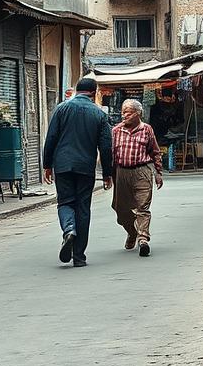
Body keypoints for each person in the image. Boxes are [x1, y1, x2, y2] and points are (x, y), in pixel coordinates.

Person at [43, 77, 114, 267]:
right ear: (94, 92)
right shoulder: (99, 114)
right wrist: (108, 172)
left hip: (63, 165)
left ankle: (68, 229)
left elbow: (51, 138)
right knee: (83, 208)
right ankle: (79, 257)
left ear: (76, 90)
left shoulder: (61, 109)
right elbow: (106, 146)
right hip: (85, 167)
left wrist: (47, 165)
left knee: (65, 202)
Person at [111, 99, 163, 256]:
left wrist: (158, 173)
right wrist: (109, 175)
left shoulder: (146, 129)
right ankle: (132, 232)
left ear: (138, 113)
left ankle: (143, 239)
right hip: (122, 172)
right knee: (121, 210)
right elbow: (111, 154)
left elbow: (155, 151)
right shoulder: (116, 131)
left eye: (128, 112)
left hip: (142, 171)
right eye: (123, 112)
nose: (123, 115)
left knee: (142, 207)